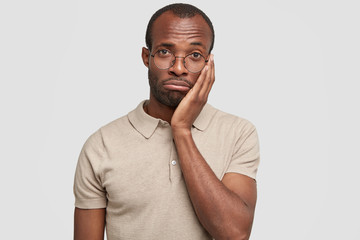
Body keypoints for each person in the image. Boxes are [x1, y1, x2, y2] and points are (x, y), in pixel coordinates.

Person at [73, 3, 260, 240]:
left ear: (208, 64)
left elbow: (234, 233)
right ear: (146, 57)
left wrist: (181, 130)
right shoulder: (101, 144)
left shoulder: (238, 133)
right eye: (164, 52)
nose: (179, 68)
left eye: (194, 55)